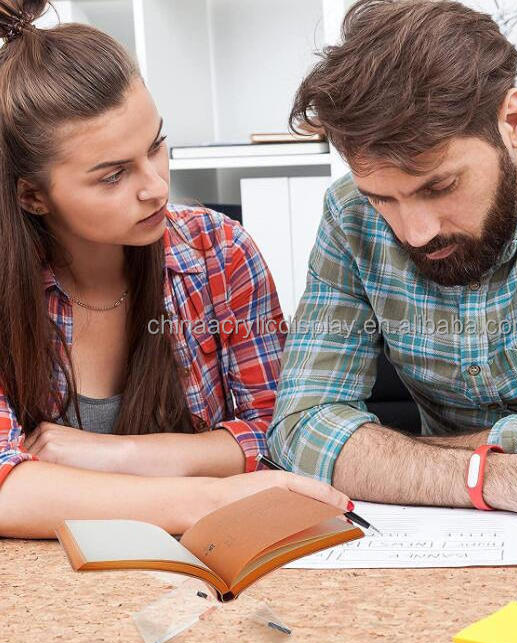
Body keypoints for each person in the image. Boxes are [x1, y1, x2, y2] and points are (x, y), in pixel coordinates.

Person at [268, 0, 517, 516]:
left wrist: (383, 457)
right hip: (444, 525)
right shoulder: (349, 214)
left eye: (439, 186)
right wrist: (505, 477)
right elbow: (299, 430)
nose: (415, 234)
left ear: (512, 120)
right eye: (383, 198)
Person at [0, 0, 350, 540]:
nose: (156, 186)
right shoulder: (7, 291)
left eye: (157, 144)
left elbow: (276, 431)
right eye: (113, 175)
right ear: (32, 196)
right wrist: (209, 493)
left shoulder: (220, 251)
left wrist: (114, 456)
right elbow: (7, 487)